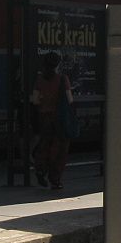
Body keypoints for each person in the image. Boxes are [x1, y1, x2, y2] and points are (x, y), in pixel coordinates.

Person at [31, 51, 73, 190]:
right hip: (59, 118)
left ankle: (40, 168)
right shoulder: (62, 79)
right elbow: (69, 99)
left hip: (44, 117)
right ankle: (55, 179)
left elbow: (35, 100)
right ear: (58, 65)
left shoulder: (40, 80)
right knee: (60, 148)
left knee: (44, 145)